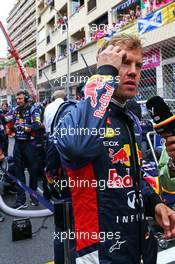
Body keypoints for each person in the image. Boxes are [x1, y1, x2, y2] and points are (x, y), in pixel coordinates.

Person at [53, 34, 175, 264]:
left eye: (138, 65)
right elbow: (78, 147)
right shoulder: (74, 114)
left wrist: (155, 204)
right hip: (98, 253)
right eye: (123, 63)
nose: (133, 72)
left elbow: (131, 178)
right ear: (105, 65)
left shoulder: (130, 118)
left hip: (138, 247)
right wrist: (105, 77)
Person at [12, 90, 42, 209]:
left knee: (33, 172)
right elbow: (13, 123)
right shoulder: (15, 110)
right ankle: (21, 201)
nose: (18, 101)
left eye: (20, 98)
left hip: (30, 144)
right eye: (17, 99)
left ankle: (34, 197)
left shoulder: (33, 109)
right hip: (18, 144)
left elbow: (37, 124)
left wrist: (26, 128)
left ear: (26, 99)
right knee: (18, 172)